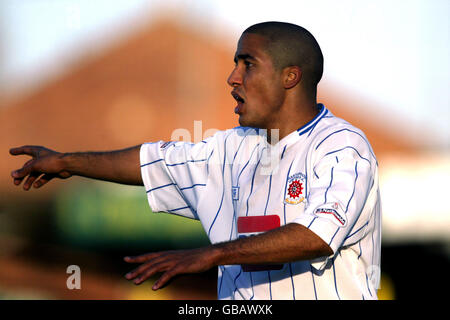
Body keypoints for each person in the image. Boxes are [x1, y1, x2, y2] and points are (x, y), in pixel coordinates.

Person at [9, 21, 381, 300]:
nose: (232, 77)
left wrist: (210, 255)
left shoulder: (341, 146)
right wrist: (65, 162)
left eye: (247, 64)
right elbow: (148, 163)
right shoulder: (229, 149)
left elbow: (317, 235)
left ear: (290, 76)